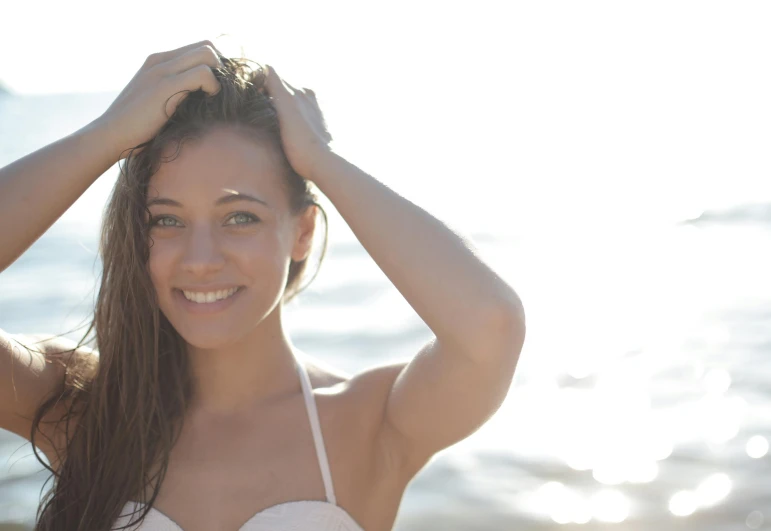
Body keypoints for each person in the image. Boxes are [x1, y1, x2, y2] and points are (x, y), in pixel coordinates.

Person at [0, 40, 527, 531]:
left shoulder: (366, 421)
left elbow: (490, 326)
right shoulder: (81, 405)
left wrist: (324, 160)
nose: (201, 260)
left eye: (240, 218)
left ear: (302, 232)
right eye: (166, 220)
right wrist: (105, 136)